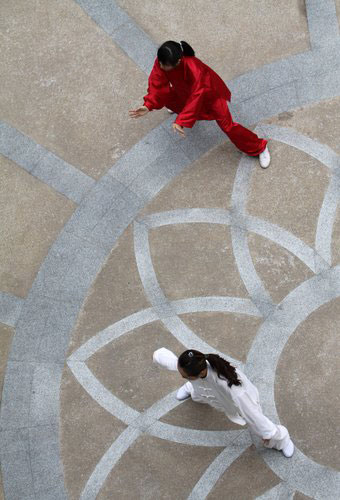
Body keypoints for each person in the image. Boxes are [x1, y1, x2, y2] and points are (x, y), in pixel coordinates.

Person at [129, 40, 270, 168]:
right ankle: (180, 111)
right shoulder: (163, 61)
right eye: (160, 63)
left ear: (178, 62)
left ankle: (259, 147)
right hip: (184, 92)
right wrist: (148, 104)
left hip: (210, 95)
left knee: (228, 126)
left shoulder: (194, 68)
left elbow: (198, 96)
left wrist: (182, 120)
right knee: (169, 97)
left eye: (164, 65)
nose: (160, 66)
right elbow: (157, 83)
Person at [153, 348, 294, 458]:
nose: (181, 376)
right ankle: (190, 388)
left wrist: (268, 433)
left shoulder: (233, 390)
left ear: (201, 372)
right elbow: (172, 362)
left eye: (185, 376)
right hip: (208, 393)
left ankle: (283, 439)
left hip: (232, 401)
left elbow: (254, 415)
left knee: (256, 423)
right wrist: (158, 356)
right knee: (198, 394)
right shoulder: (196, 363)